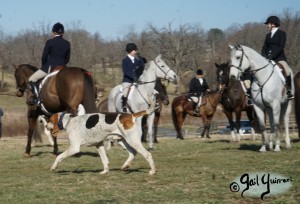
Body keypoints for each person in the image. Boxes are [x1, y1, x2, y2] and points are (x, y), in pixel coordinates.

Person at [28, 22, 71, 105]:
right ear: (63, 33)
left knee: (31, 79)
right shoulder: (67, 43)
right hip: (63, 68)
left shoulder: (50, 42)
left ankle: (37, 99)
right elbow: (67, 58)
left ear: (54, 32)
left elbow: (44, 57)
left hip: (50, 67)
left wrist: (44, 66)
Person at [261, 15, 294, 100]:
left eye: (268, 24)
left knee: (287, 71)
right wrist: (264, 57)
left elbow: (281, 47)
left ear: (273, 24)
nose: (267, 26)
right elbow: (264, 47)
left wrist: (272, 56)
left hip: (279, 58)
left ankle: (289, 90)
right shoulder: (267, 35)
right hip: (268, 59)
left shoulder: (282, 33)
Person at [121, 43, 145, 112]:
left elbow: (142, 65)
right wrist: (133, 77)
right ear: (130, 51)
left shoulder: (135, 59)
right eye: (134, 50)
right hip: (127, 80)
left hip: (135, 81)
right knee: (125, 92)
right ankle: (124, 106)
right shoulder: (125, 60)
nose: (136, 52)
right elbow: (125, 72)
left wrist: (140, 57)